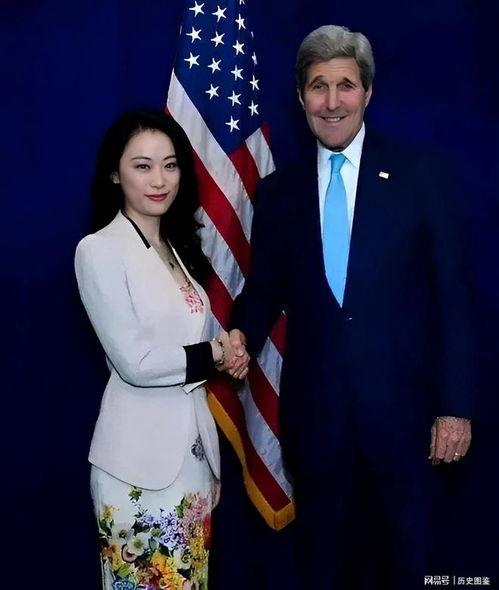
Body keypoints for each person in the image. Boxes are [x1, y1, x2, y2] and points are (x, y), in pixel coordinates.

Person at [228, 25, 474, 589]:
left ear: (367, 92)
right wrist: (240, 333)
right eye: (319, 86)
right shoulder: (279, 193)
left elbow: (454, 300)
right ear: (300, 97)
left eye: (345, 85)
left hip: (409, 429)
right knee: (323, 573)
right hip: (317, 428)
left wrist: (456, 406)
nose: (332, 101)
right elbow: (264, 291)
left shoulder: (421, 176)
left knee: (410, 571)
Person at [75, 109, 249, 590]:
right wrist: (214, 353)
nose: (159, 180)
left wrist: (230, 346)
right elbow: (136, 362)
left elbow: (194, 336)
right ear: (115, 173)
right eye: (142, 166)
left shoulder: (177, 248)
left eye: (170, 165)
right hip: (136, 469)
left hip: (193, 464)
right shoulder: (99, 250)